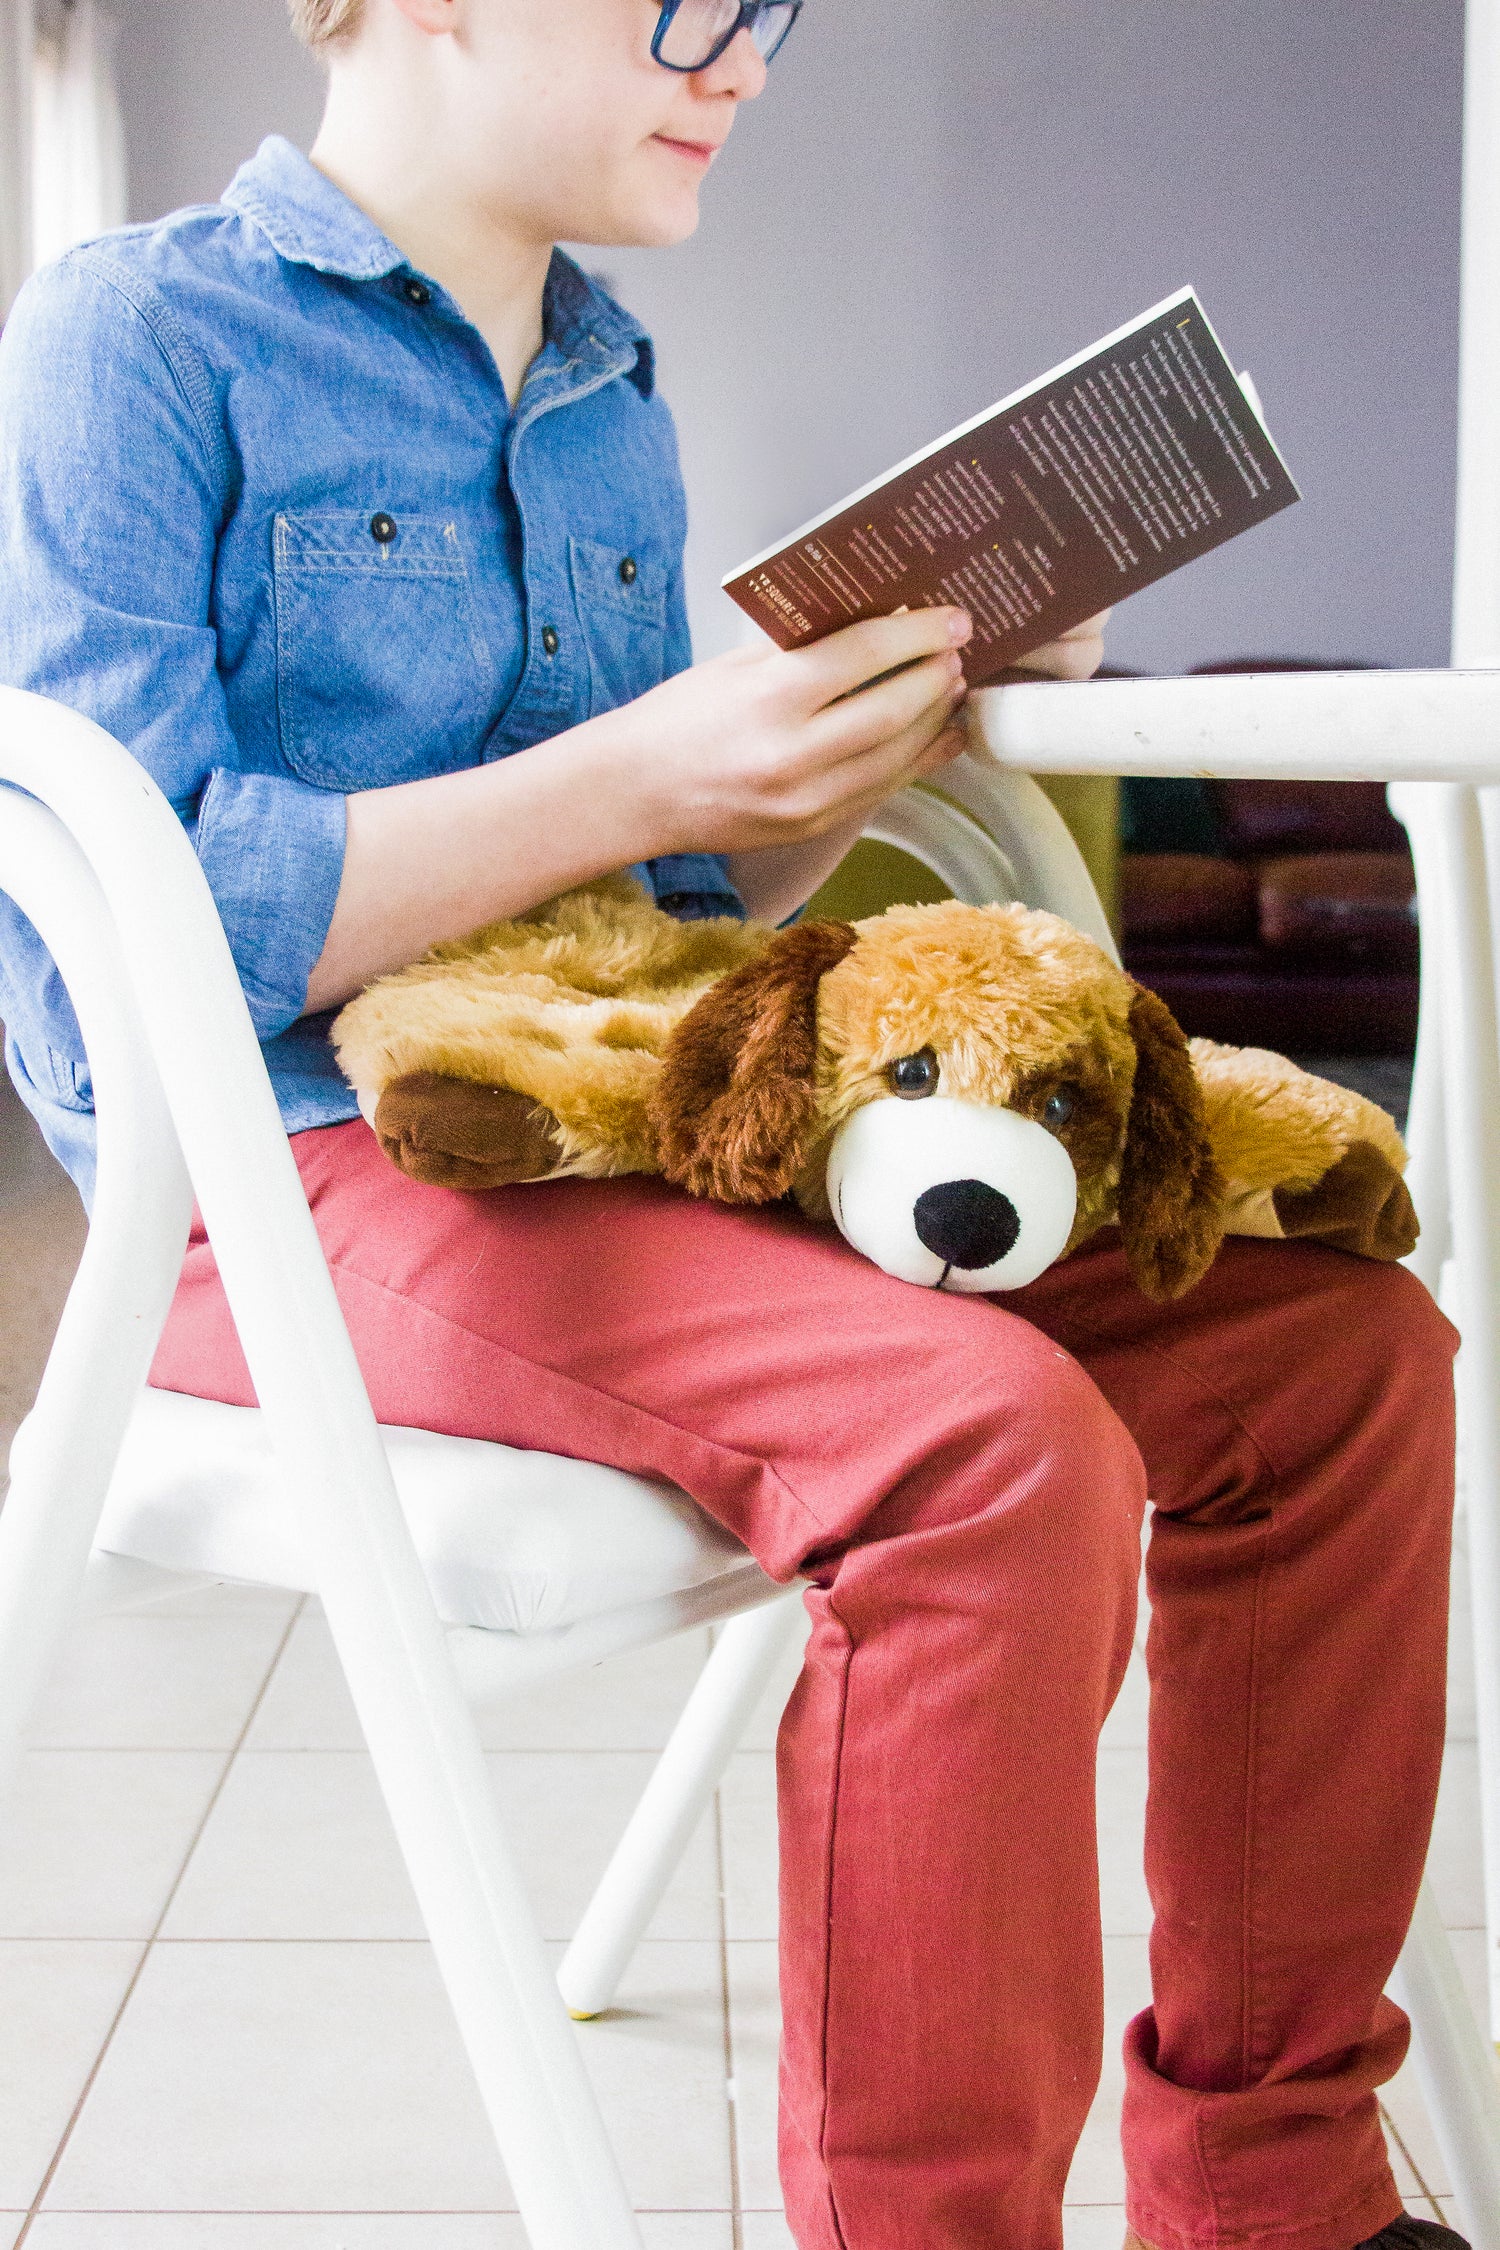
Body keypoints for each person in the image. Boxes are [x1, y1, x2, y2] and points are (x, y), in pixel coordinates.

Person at [0, 5, 1463, 2247]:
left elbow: (658, 903)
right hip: (281, 1174)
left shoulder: (607, 389)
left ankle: (1273, 2191)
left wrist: (859, 736)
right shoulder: (135, 334)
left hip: (627, 1116)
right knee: (990, 1443)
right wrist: (647, 768)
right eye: (684, 4)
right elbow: (141, 915)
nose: (745, 58)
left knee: (1340, 1360)